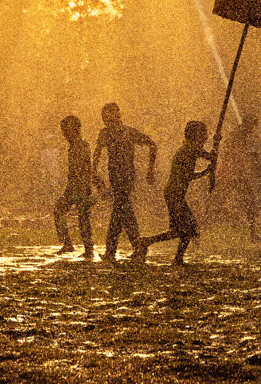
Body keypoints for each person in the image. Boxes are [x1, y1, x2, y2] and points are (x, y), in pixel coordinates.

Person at [137, 120, 216, 265]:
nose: (205, 137)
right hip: (174, 194)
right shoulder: (190, 148)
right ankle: (147, 242)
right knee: (186, 229)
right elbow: (193, 171)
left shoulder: (189, 148)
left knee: (185, 229)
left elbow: (193, 169)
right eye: (203, 134)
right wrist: (208, 168)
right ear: (195, 135)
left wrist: (208, 165)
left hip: (175, 193)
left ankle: (158, 247)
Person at [91, 102, 156, 262]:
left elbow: (152, 144)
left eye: (113, 116)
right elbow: (96, 156)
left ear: (119, 116)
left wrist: (150, 170)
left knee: (120, 210)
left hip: (127, 177)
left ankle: (115, 250)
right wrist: (94, 173)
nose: (109, 121)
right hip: (114, 176)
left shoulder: (129, 132)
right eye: (106, 118)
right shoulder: (105, 133)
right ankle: (135, 246)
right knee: (122, 212)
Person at [52, 115, 99, 258]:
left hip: (81, 186)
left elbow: (86, 167)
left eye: (66, 130)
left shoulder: (81, 145)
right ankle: (69, 244)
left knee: (83, 217)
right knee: (60, 211)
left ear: (76, 129)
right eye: (63, 131)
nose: (64, 134)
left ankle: (87, 249)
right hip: (73, 186)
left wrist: (87, 186)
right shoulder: (74, 146)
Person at [217, 114, 261, 242]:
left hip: (237, 173)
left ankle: (253, 233)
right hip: (231, 173)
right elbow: (232, 152)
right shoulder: (237, 134)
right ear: (247, 124)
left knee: (248, 201)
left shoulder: (243, 135)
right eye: (252, 125)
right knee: (218, 201)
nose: (253, 128)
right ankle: (198, 229)